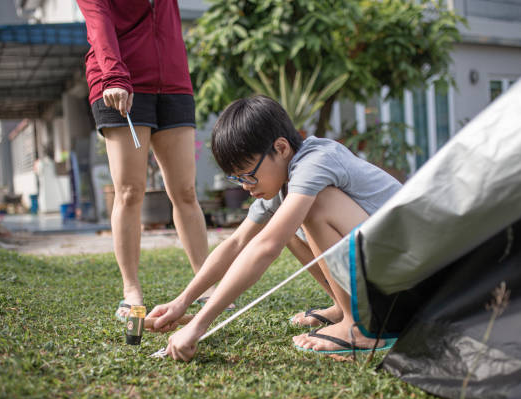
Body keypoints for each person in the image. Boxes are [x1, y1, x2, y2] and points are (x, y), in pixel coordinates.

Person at [146, 95, 402, 361]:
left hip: (409, 281)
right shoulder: (280, 184)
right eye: (236, 178)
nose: (245, 186)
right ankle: (343, 306)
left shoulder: (316, 162)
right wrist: (182, 302)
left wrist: (198, 325)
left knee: (316, 207)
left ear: (281, 148)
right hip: (383, 273)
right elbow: (236, 244)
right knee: (288, 223)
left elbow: (266, 247)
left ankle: (359, 327)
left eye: (248, 174)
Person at [76, 0, 212, 320]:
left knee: (185, 191)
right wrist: (113, 76)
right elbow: (99, 26)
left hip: (174, 81)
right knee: (129, 191)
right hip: (120, 85)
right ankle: (131, 291)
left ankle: (206, 284)